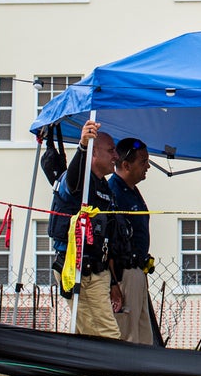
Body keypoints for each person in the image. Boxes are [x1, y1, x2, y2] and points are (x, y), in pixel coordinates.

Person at [47, 119, 124, 339]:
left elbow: (106, 241)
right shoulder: (77, 181)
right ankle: (115, 372)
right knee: (107, 334)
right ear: (94, 154)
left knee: (87, 333)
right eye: (111, 151)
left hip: (98, 270)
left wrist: (112, 282)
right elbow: (73, 180)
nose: (116, 156)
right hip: (80, 269)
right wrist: (82, 146)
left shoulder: (105, 187)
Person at [109, 137, 156, 345]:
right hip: (123, 272)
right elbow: (108, 240)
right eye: (143, 161)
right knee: (127, 331)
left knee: (143, 330)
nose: (147, 166)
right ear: (126, 165)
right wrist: (113, 282)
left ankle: (144, 373)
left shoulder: (132, 190)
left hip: (138, 270)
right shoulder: (113, 192)